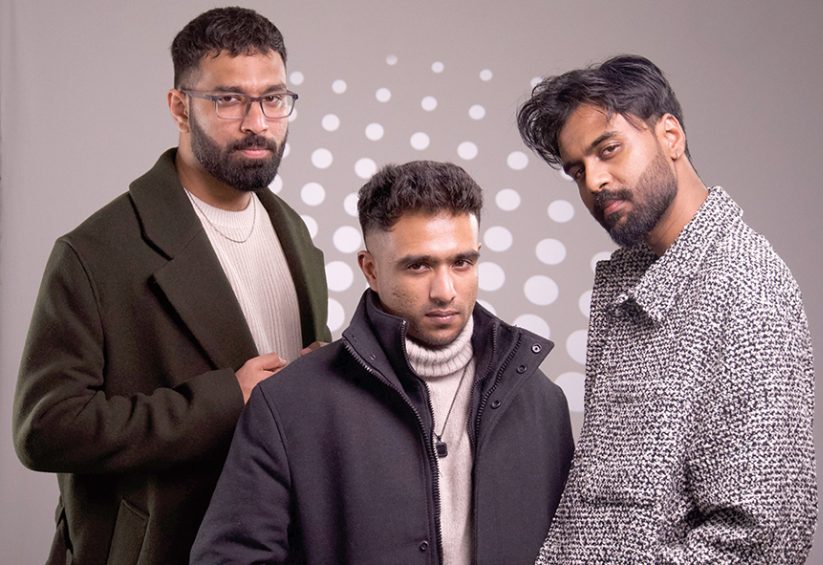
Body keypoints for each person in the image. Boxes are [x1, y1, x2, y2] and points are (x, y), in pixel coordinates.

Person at [12, 7, 330, 564]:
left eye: (273, 98)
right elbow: (46, 429)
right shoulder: (95, 251)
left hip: (274, 543)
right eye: (228, 99)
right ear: (180, 107)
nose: (257, 122)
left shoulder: (293, 230)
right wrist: (224, 400)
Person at [190, 160, 574, 564]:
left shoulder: (542, 404)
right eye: (419, 265)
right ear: (370, 269)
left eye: (462, 262)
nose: (445, 291)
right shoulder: (288, 404)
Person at [517, 55, 816, 563]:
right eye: (577, 170)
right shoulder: (638, 278)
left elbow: (766, 537)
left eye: (608, 150)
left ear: (670, 136)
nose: (594, 182)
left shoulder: (745, 286)